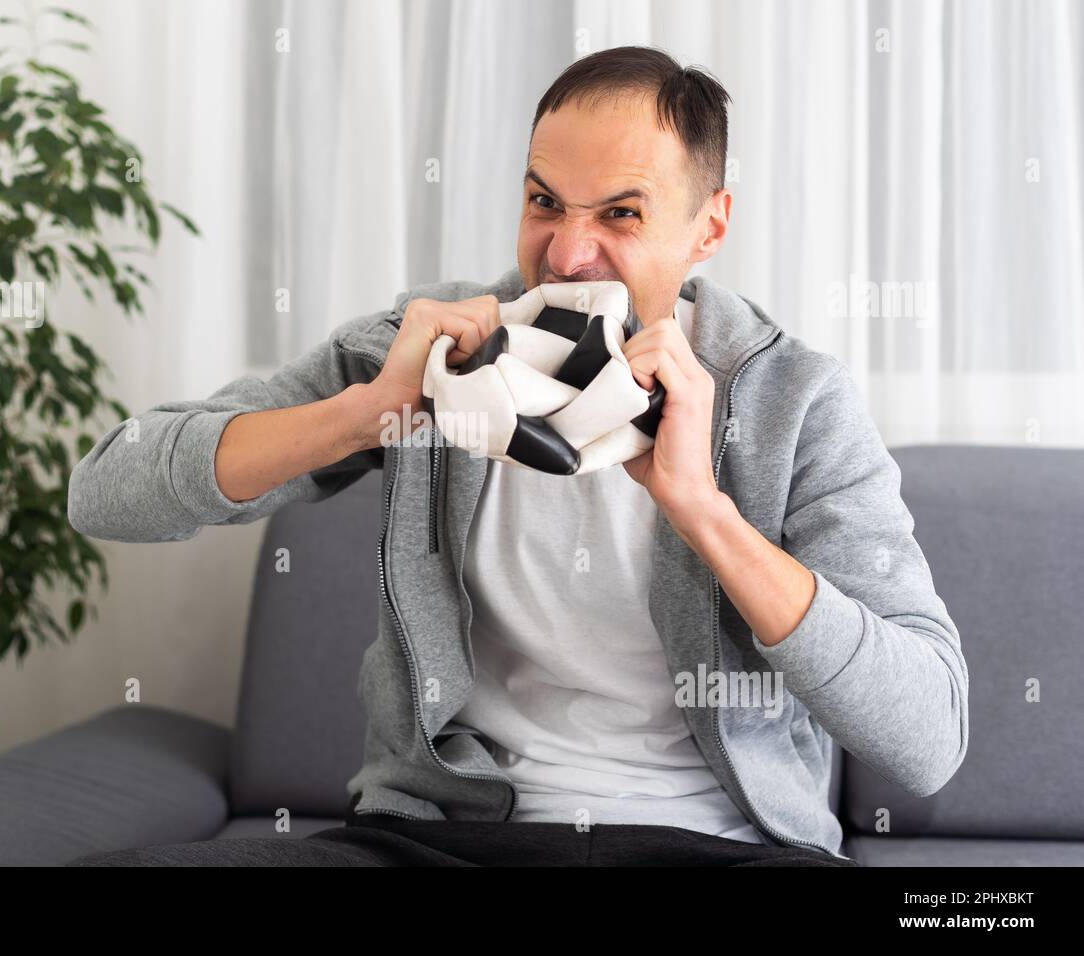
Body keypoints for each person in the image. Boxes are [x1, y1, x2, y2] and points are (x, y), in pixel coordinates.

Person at [66, 46, 968, 867]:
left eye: (621, 213)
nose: (568, 254)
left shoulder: (794, 398)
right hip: (441, 843)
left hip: (717, 846)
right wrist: (360, 414)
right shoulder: (430, 346)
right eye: (545, 203)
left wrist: (701, 508)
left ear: (708, 227)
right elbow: (105, 490)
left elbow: (928, 736)